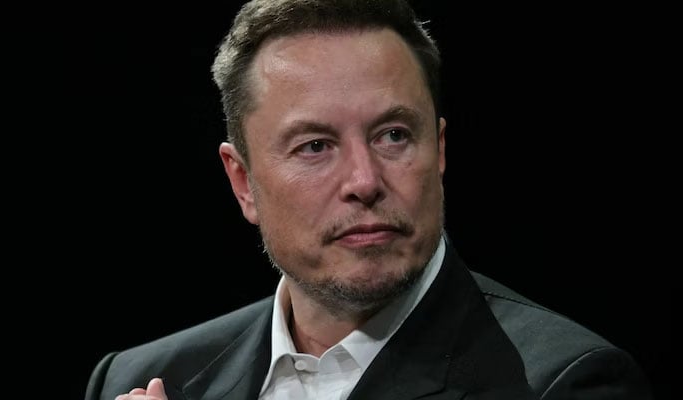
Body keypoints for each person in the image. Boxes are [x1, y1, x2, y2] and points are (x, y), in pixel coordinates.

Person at [85, 0, 653, 399]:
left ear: (442, 150)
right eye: (315, 146)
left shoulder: (562, 381)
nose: (365, 179)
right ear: (243, 182)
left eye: (393, 136)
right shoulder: (141, 378)